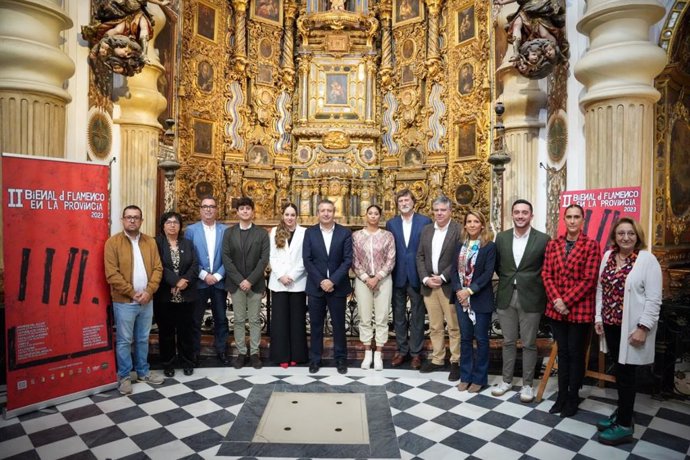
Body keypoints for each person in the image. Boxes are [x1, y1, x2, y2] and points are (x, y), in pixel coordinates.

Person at [595, 217, 662, 445]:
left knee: (627, 376)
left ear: (637, 236)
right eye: (621, 233)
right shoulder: (608, 256)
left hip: (631, 329)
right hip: (611, 326)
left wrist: (643, 328)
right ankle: (622, 414)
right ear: (614, 236)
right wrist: (598, 317)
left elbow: (654, 299)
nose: (626, 237)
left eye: (630, 233)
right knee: (620, 373)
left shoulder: (647, 260)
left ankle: (624, 425)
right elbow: (600, 289)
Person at [542, 204, 601, 416]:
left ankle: (573, 397)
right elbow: (546, 274)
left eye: (577, 217)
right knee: (563, 353)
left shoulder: (591, 245)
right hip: (556, 309)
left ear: (583, 220)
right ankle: (561, 396)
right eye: (569, 217)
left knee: (576, 354)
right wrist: (557, 301)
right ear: (564, 220)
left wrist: (565, 301)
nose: (573, 221)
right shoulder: (553, 244)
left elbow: (589, 279)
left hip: (579, 309)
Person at [491, 199, 550, 403]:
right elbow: (499, 266)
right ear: (512, 215)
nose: (520, 216)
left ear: (531, 216)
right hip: (506, 294)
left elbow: (546, 269)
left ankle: (527, 385)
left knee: (529, 344)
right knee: (507, 341)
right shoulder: (502, 238)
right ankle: (507, 381)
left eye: (525, 212)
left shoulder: (543, 239)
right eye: (517, 212)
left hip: (531, 296)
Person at [104, 205, 164, 395]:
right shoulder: (112, 243)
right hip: (124, 302)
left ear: (141, 220)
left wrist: (148, 291)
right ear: (122, 220)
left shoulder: (150, 242)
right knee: (124, 340)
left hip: (147, 301)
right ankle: (124, 376)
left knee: (142, 338)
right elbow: (112, 275)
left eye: (136, 217)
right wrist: (132, 293)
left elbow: (158, 269)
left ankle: (143, 372)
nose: (132, 220)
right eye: (129, 217)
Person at [303, 199, 353, 374]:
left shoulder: (345, 233)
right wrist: (321, 281)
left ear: (334, 212)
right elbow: (307, 260)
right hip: (316, 287)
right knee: (316, 325)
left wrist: (332, 281)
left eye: (329, 210)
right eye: (322, 210)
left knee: (339, 325)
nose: (326, 213)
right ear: (318, 213)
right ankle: (315, 359)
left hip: (337, 287)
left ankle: (340, 359)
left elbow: (348, 260)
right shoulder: (310, 233)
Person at [416, 196, 462, 381]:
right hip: (429, 286)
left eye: (443, 210)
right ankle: (438, 359)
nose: (439, 213)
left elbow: (459, 257)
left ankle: (456, 361)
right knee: (435, 326)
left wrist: (443, 277)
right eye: (436, 210)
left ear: (450, 211)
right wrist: (426, 278)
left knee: (453, 326)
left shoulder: (458, 229)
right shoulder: (427, 230)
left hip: (449, 285)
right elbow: (419, 256)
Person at [222, 197, 270, 369]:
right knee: (239, 320)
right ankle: (242, 352)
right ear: (237, 212)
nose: (244, 211)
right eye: (241, 209)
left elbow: (263, 260)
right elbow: (226, 259)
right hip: (236, 285)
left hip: (255, 284)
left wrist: (249, 280)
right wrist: (240, 280)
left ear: (252, 211)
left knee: (255, 320)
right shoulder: (229, 233)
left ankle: (255, 353)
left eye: (248, 209)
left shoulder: (262, 233)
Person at [386, 189, 432, 370]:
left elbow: (427, 249)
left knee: (417, 316)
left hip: (417, 275)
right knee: (398, 316)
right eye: (401, 201)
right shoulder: (391, 223)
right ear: (397, 205)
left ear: (414, 202)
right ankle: (401, 350)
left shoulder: (425, 221)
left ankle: (416, 353)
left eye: (407, 200)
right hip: (397, 274)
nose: (404, 203)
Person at [451, 210, 496, 393]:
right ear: (465, 225)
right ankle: (466, 376)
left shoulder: (489, 246)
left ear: (482, 225)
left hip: (480, 299)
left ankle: (479, 378)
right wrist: (459, 291)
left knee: (482, 340)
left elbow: (488, 273)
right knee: (465, 339)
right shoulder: (459, 245)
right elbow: (453, 270)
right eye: (468, 221)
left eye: (476, 221)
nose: (471, 224)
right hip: (461, 299)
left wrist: (469, 291)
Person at [185, 196, 230, 366]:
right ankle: (194, 352)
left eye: (212, 206)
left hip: (219, 282)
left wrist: (218, 275)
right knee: (195, 319)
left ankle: (221, 350)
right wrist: (203, 275)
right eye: (205, 206)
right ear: (200, 209)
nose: (208, 209)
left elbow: (229, 257)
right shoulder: (191, 231)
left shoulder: (225, 230)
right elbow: (188, 257)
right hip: (199, 282)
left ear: (216, 209)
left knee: (221, 318)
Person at [154, 211, 199, 378]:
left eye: (176, 222)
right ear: (163, 225)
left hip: (186, 295)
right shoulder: (155, 243)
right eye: (168, 222)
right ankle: (168, 363)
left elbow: (195, 265)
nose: (172, 225)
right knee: (166, 332)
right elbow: (157, 265)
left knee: (185, 331)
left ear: (180, 226)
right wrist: (174, 282)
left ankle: (187, 361)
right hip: (165, 295)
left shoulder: (187, 244)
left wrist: (184, 281)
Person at [352, 205, 396, 370]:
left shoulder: (387, 236)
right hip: (363, 280)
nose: (373, 216)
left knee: (382, 317)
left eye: (376, 213)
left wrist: (377, 277)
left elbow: (391, 259)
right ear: (366, 215)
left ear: (380, 216)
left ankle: (378, 353)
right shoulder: (356, 236)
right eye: (370, 213)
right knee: (364, 317)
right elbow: (354, 260)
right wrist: (366, 278)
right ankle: (367, 353)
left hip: (383, 280)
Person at [268, 203, 308, 368]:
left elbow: (305, 258)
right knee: (280, 320)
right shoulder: (274, 232)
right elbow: (272, 256)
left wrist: (291, 276)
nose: (289, 218)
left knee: (297, 321)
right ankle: (281, 355)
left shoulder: (305, 232)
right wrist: (281, 276)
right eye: (287, 214)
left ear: (296, 216)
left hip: (298, 282)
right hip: (279, 283)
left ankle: (297, 355)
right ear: (282, 216)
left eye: (292, 215)